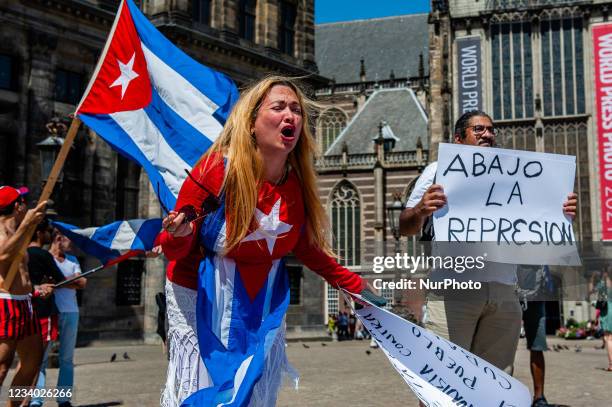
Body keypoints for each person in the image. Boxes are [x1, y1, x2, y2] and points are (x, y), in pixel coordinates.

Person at [159, 76, 383, 406]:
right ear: (251, 123)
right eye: (278, 107)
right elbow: (173, 242)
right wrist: (180, 232)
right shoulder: (217, 170)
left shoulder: (296, 184)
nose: (290, 115)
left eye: (296, 110)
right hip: (199, 294)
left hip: (260, 297)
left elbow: (305, 247)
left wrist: (355, 285)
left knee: (254, 391)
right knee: (202, 387)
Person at [399, 111, 577, 396]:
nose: (488, 134)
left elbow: (537, 224)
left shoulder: (515, 174)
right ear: (458, 138)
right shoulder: (438, 170)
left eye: (491, 130)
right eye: (478, 129)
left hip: (504, 291)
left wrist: (561, 213)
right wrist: (421, 209)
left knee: (495, 384)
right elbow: (405, 226)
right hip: (454, 290)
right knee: (440, 381)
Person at [0, 186, 50, 403]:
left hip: (25, 303)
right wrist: (28, 224)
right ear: (17, 206)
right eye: (23, 201)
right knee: (1, 366)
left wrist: (36, 289)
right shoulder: (1, 230)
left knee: (32, 363)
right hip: (5, 302)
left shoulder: (21, 232)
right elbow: (3, 255)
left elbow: (22, 273)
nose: (26, 205)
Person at [31, 229, 86, 407]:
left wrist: (60, 282)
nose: (72, 244)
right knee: (41, 358)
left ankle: (64, 399)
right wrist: (71, 282)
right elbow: (74, 282)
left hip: (71, 312)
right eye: (70, 239)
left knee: (67, 358)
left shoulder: (73, 260)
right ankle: (36, 400)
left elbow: (82, 283)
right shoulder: (45, 258)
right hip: (49, 312)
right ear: (59, 238)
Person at [590, 268, 612, 371]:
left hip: (608, 312)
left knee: (609, 338)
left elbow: (591, 291)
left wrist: (592, 278)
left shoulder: (603, 284)